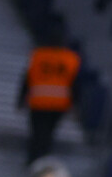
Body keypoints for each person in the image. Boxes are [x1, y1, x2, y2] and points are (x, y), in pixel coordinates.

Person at [18, 28, 81, 163]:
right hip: (58, 104)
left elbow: (27, 79)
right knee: (48, 133)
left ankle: (33, 159)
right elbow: (75, 85)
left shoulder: (38, 55)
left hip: (39, 101)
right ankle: (42, 159)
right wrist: (75, 105)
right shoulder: (70, 59)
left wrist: (21, 99)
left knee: (37, 132)